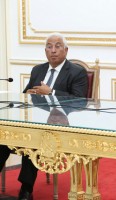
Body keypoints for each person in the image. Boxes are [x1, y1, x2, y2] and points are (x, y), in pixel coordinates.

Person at [0, 32, 88, 200]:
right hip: (35, 122)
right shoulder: (38, 69)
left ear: (66, 50)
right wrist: (30, 92)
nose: (53, 50)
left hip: (61, 127)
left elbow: (80, 101)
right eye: (49, 47)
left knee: (33, 143)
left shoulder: (77, 72)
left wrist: (51, 92)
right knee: (2, 139)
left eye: (57, 46)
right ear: (45, 51)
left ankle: (26, 190)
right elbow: (25, 95)